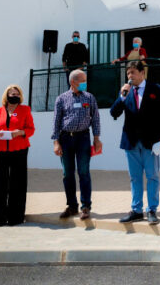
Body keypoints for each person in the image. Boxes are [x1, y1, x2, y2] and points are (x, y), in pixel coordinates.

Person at [110, 61, 160, 225]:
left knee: (152, 176)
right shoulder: (126, 92)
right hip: (131, 142)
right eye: (128, 73)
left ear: (143, 73)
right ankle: (136, 210)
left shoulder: (155, 89)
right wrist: (122, 96)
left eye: (133, 72)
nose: (130, 76)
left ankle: (151, 210)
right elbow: (114, 112)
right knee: (134, 178)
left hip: (151, 141)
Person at [52, 69, 102, 221]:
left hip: (83, 138)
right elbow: (56, 121)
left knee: (84, 172)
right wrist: (56, 142)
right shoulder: (61, 99)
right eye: (82, 80)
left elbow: (95, 119)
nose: (85, 83)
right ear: (73, 82)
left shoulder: (89, 97)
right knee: (68, 174)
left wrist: (97, 138)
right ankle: (72, 206)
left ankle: (85, 206)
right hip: (65, 138)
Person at [0, 85, 35, 227]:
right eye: (12, 93)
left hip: (19, 149)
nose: (14, 95)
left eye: (17, 94)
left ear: (20, 96)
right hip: (0, 151)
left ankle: (16, 217)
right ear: (6, 96)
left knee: (17, 183)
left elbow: (31, 129)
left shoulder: (25, 110)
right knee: (0, 183)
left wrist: (20, 132)